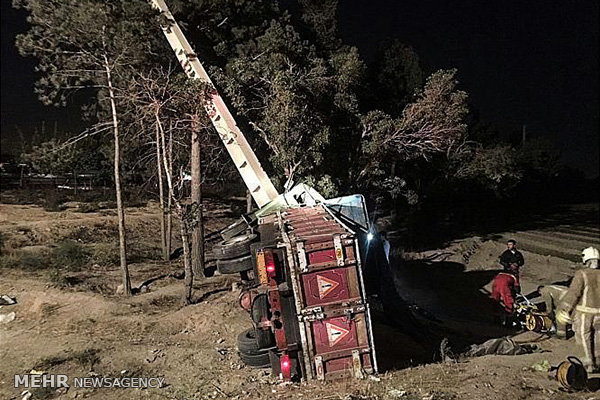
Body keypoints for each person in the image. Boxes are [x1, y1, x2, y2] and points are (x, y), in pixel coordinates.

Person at [556, 247, 600, 373]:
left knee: (584, 338)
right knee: (598, 338)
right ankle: (598, 363)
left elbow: (573, 294)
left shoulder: (582, 274)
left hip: (585, 314)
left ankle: (588, 365)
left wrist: (564, 309)